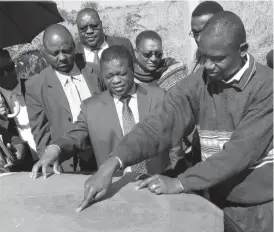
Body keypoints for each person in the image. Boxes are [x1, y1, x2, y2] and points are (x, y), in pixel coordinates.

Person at [67, 11, 272, 231]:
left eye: (218, 58)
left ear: (242, 51)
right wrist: (113, 162)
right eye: (204, 57)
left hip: (257, 209)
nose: (209, 66)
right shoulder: (200, 82)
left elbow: (238, 154)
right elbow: (160, 124)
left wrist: (180, 182)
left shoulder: (266, 86)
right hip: (213, 200)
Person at [30, 45, 173, 177]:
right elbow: (74, 137)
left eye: (121, 74)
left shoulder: (159, 97)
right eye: (109, 76)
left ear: (132, 69)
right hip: (116, 185)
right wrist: (55, 148)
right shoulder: (91, 108)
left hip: (158, 180)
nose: (116, 80)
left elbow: (176, 138)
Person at [25, 24, 100, 172]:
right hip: (66, 164)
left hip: (101, 155)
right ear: (44, 53)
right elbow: (41, 132)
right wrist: (49, 161)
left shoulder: (96, 71)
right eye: (55, 53)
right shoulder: (36, 85)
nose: (62, 58)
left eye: (66, 51)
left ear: (74, 47)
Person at [0, 49, 35, 170]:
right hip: (22, 169)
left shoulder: (34, 86)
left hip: (52, 158)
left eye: (9, 67)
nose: (6, 74)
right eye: (0, 71)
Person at [189, 1, 223, 73]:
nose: (198, 39)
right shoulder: (198, 54)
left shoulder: (231, 62)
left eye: (206, 32)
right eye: (195, 33)